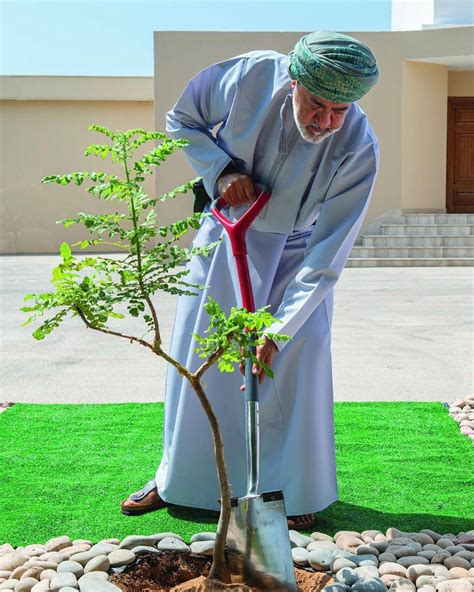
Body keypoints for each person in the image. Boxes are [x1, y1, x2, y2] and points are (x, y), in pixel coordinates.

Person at [121, 31, 380, 530]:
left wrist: (279, 328)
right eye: (316, 104)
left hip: (300, 252)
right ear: (294, 80)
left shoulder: (359, 146)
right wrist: (219, 171)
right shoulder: (252, 74)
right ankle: (177, 478)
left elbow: (329, 252)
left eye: (338, 110)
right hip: (226, 233)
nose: (325, 121)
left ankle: (293, 489)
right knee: (202, 355)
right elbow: (184, 120)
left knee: (295, 364)